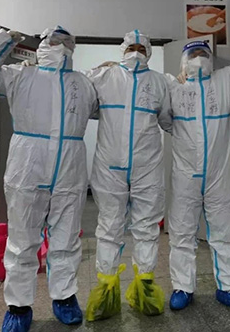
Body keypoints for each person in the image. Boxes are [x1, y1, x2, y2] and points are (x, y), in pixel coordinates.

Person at [0, 26, 98, 332]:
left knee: (67, 237)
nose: (60, 45)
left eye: (66, 41)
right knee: (22, 239)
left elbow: (111, 109)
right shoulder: (20, 75)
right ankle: (18, 306)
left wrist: (108, 74)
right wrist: (5, 39)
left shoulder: (84, 83)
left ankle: (64, 297)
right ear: (41, 44)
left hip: (70, 165)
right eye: (53, 40)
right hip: (28, 163)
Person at [85, 30, 172, 321]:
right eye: (131, 47)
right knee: (109, 226)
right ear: (122, 50)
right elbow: (83, 102)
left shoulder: (160, 82)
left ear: (149, 52)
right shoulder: (104, 77)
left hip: (147, 165)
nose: (135, 52)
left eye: (141, 48)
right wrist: (97, 68)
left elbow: (169, 120)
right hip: (109, 165)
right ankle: (106, 291)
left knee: (147, 226)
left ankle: (145, 288)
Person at [167, 40, 230, 311]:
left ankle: (228, 287)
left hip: (218, 174)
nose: (199, 58)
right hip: (185, 174)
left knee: (224, 231)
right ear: (183, 61)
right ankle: (182, 287)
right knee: (182, 232)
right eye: (193, 54)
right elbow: (163, 118)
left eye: (203, 54)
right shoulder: (173, 86)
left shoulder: (225, 79)